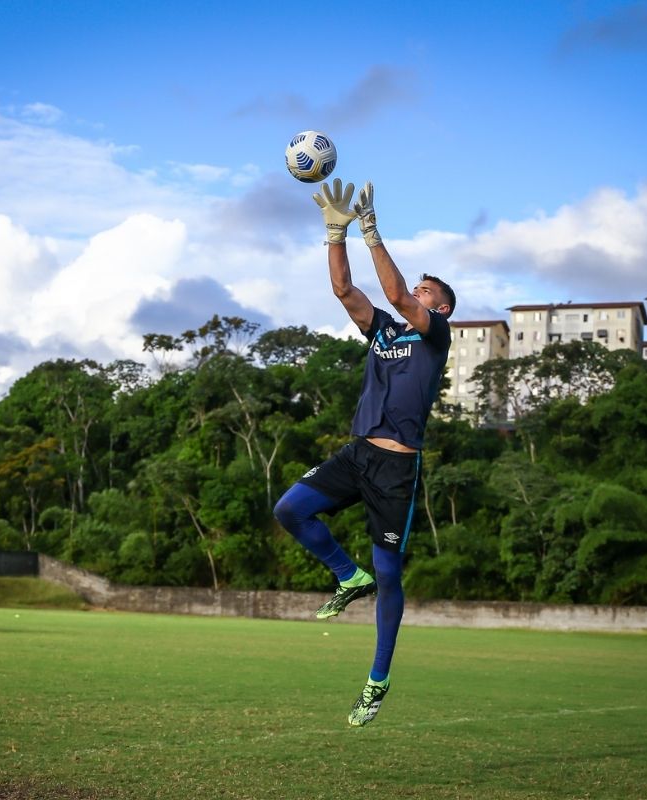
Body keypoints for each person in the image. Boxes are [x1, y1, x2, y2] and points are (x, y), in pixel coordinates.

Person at [273, 178, 455, 727]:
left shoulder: (436, 334)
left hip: (398, 466)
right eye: (419, 288)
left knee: (391, 572)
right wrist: (335, 232)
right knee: (290, 509)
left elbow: (397, 294)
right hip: (358, 454)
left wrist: (373, 232)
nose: (415, 293)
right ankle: (346, 576)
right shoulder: (383, 333)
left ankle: (378, 679)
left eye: (426, 290)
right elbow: (345, 290)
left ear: (441, 306)